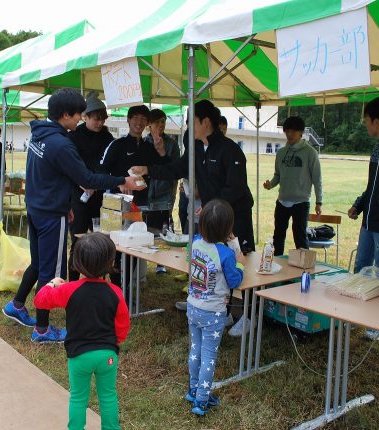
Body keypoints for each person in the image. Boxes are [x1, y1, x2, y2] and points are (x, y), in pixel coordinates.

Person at [1, 88, 144, 343]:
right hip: (49, 214)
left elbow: (48, 175)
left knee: (38, 262)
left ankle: (18, 304)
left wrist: (65, 202)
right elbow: (86, 178)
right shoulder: (61, 144)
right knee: (51, 272)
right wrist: (124, 180)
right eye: (79, 114)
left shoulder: (39, 135)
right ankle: (43, 329)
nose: (80, 119)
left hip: (36, 207)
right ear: (66, 114)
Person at [131, 100, 255, 334]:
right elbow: (178, 168)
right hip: (212, 215)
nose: (189, 126)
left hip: (236, 216)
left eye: (191, 121)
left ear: (206, 122)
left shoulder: (231, 150)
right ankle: (225, 311)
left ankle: (249, 315)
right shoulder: (196, 147)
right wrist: (149, 169)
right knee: (216, 262)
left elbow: (235, 188)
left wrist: (211, 206)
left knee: (240, 259)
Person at [34, 232, 130, 430]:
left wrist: (52, 283)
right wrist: (115, 341)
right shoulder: (116, 292)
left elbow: (40, 300)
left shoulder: (68, 289)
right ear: (111, 263)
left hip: (79, 356)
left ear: (76, 264)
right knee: (108, 395)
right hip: (107, 355)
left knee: (78, 398)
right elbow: (123, 324)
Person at [184, 199, 245, 416]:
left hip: (193, 306)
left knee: (195, 350)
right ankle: (201, 399)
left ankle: (193, 389)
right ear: (228, 229)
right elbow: (235, 281)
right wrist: (238, 260)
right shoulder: (226, 254)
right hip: (213, 312)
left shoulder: (196, 242)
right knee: (209, 355)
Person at [347, 96, 379, 341]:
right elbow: (372, 186)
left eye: (367, 121)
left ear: (377, 122)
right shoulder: (376, 147)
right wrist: (359, 205)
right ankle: (360, 316)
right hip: (369, 220)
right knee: (361, 267)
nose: (366, 126)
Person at [100, 104, 169, 286]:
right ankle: (114, 288)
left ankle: (126, 289)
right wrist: (119, 182)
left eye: (143, 119)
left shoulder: (149, 147)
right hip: (118, 205)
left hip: (140, 205)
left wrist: (161, 150)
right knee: (115, 249)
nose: (139, 122)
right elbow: (101, 172)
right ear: (128, 120)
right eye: (135, 118)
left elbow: (165, 169)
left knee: (135, 248)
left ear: (147, 123)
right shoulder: (117, 145)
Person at [67, 92, 114, 281]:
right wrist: (82, 182)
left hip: (100, 196)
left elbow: (110, 164)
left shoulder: (108, 137)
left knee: (101, 242)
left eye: (102, 119)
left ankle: (98, 280)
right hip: (78, 195)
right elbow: (69, 165)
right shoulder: (74, 137)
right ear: (85, 117)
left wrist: (99, 181)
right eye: (96, 119)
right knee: (77, 241)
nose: (99, 123)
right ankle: (73, 282)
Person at [263, 116, 323, 256]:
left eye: (293, 132)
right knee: (278, 237)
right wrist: (270, 184)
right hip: (282, 201)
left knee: (300, 238)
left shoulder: (310, 153)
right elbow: (278, 175)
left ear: (301, 133)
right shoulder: (281, 153)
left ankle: (304, 271)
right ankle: (276, 267)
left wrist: (319, 202)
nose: (289, 135)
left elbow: (317, 179)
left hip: (301, 202)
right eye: (287, 131)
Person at [144, 108, 180, 274]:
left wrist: (172, 197)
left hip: (164, 192)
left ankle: (161, 262)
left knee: (162, 228)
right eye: (157, 122)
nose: (161, 125)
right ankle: (143, 260)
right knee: (145, 226)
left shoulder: (172, 144)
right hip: (145, 192)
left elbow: (175, 171)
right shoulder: (143, 142)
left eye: (163, 121)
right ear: (149, 124)